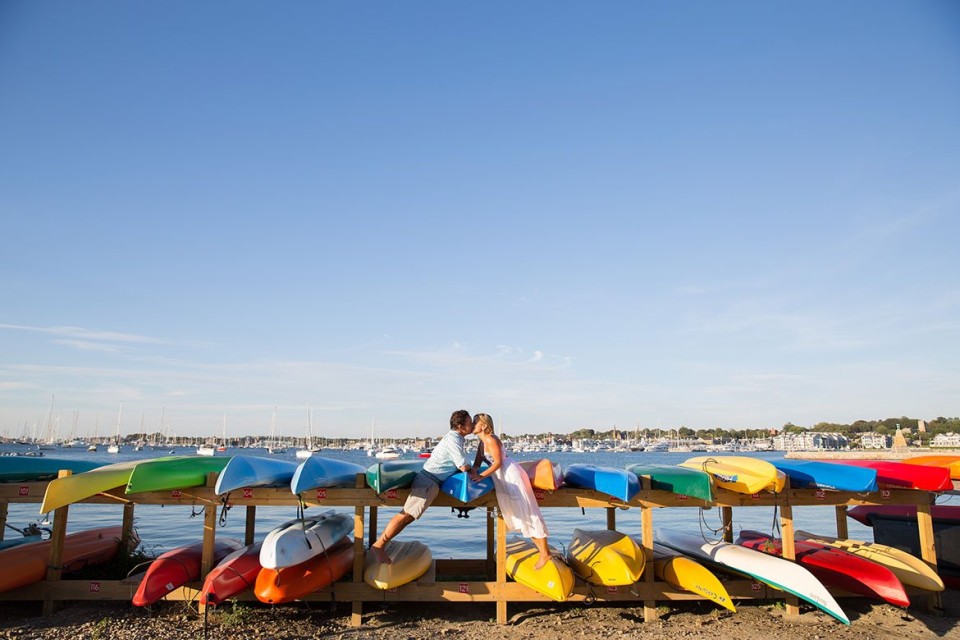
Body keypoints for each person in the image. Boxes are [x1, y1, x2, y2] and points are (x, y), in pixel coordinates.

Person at [369, 409, 476, 564]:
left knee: (407, 518)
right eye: (469, 423)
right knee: (405, 515)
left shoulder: (457, 439)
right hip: (428, 482)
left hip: (431, 483)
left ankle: (380, 545)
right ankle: (378, 546)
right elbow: (462, 465)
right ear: (460, 426)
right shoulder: (454, 439)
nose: (472, 425)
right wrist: (474, 470)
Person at [470, 413, 552, 570]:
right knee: (522, 515)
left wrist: (480, 477)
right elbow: (476, 464)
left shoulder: (490, 439)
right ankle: (543, 552)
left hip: (510, 475)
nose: (472, 424)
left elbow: (499, 462)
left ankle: (545, 553)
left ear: (484, 425)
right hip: (502, 478)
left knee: (528, 512)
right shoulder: (481, 443)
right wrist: (468, 472)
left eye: (475, 422)